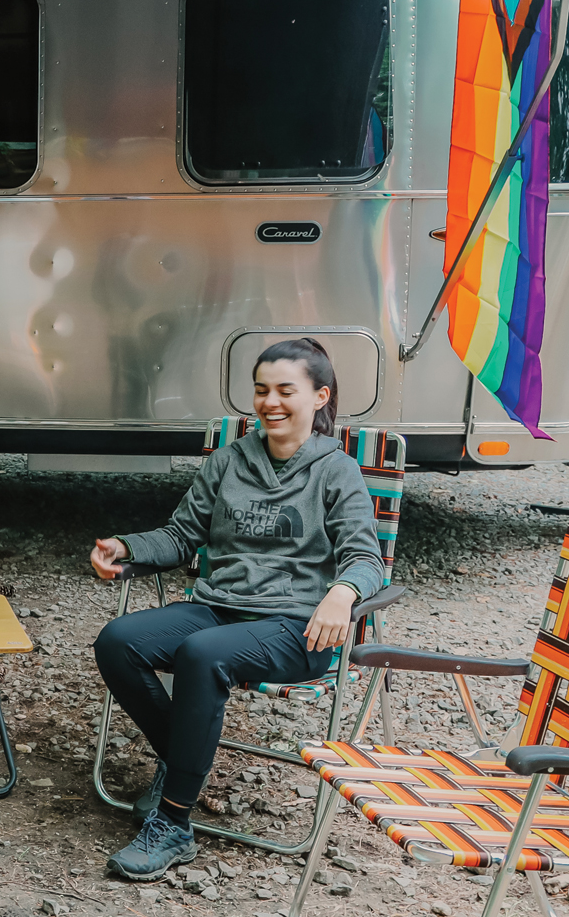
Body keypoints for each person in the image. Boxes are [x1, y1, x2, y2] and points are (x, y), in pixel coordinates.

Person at [89, 338, 382, 881]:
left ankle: (174, 823)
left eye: (285, 390)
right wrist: (127, 547)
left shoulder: (336, 471)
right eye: (261, 390)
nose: (270, 402)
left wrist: (342, 594)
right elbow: (181, 535)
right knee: (117, 641)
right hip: (221, 609)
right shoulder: (229, 461)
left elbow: (366, 557)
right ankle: (185, 759)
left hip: (297, 629)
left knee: (202, 654)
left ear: (319, 397)